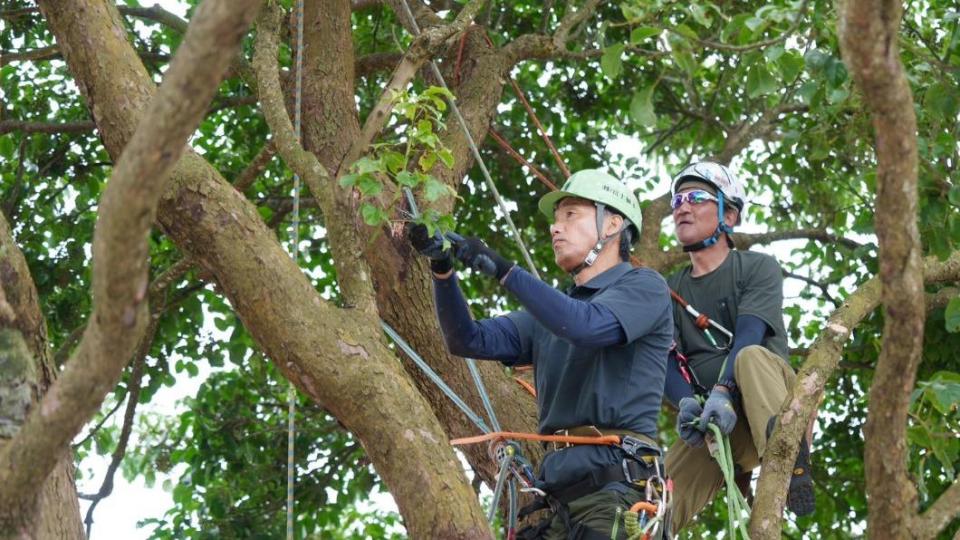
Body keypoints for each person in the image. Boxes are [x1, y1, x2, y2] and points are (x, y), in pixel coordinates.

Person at [408, 169, 673, 539]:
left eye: (571, 214)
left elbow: (586, 327)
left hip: (615, 487)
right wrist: (442, 270)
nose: (555, 228)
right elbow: (466, 339)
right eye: (556, 219)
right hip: (560, 498)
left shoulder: (644, 287)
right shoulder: (554, 315)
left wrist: (502, 269)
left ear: (612, 224)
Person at [661, 161, 816, 533]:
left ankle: (790, 460)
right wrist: (686, 401)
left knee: (747, 356)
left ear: (729, 213)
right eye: (677, 200)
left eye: (696, 197)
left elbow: (750, 332)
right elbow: (665, 359)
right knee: (653, 500)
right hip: (721, 428)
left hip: (770, 402)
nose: (682, 207)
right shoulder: (668, 288)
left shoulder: (757, 268)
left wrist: (723, 390)